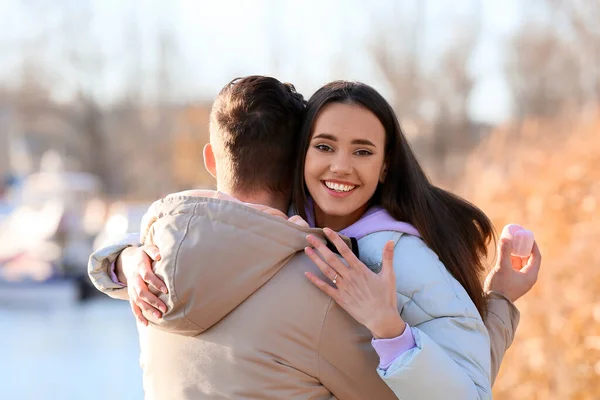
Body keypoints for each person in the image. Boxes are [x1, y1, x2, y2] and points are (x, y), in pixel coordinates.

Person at [90, 77, 541, 399]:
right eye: (324, 146)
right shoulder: (301, 268)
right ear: (297, 161)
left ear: (387, 164)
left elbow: (468, 389)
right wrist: (125, 258)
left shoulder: (164, 257)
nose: (341, 166)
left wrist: (126, 260)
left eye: (362, 151)